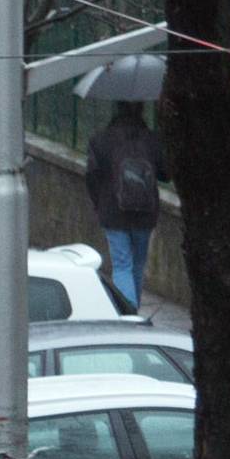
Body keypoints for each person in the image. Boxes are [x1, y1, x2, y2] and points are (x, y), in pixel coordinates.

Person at [85, 101, 166, 309]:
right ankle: (134, 311)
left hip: (113, 213)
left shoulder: (101, 140)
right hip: (146, 213)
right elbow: (166, 173)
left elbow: (92, 176)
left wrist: (98, 203)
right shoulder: (152, 140)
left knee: (122, 265)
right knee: (137, 265)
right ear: (141, 111)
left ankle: (127, 311)